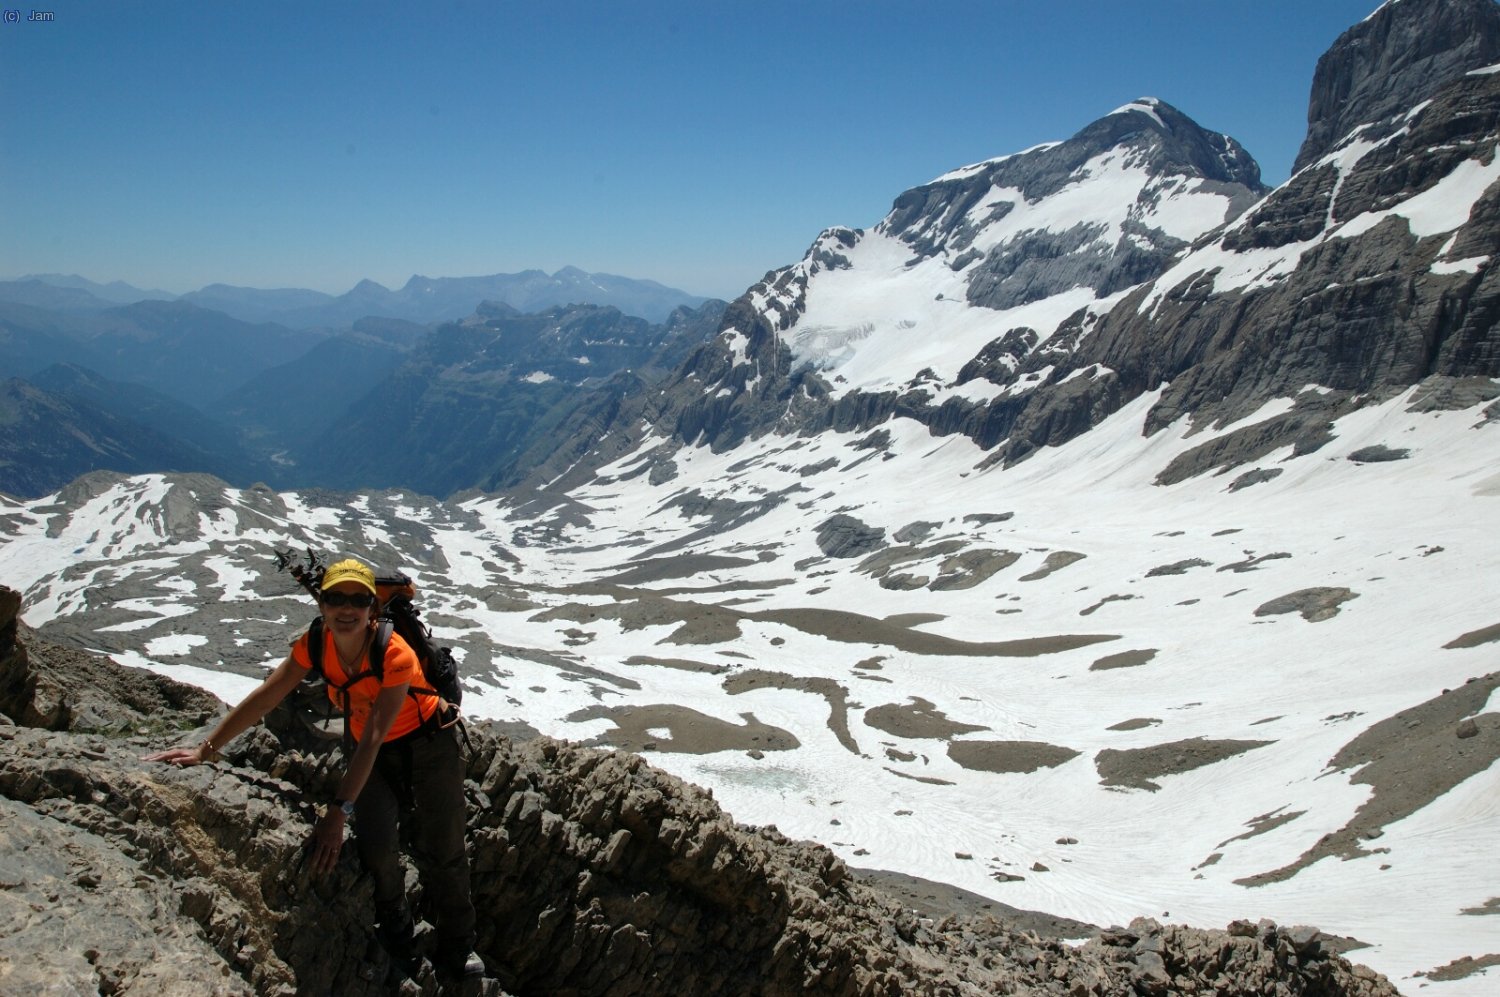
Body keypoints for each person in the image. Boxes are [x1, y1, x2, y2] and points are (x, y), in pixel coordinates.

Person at [147, 557, 482, 985]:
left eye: (358, 600)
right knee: (378, 847)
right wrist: (206, 749)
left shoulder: (394, 653)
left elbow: (374, 736)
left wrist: (338, 811)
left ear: (372, 609)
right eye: (335, 598)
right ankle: (397, 924)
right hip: (370, 749)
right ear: (322, 605)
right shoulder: (316, 643)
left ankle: (459, 943)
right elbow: (267, 696)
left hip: (428, 744)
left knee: (446, 847)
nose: (346, 608)